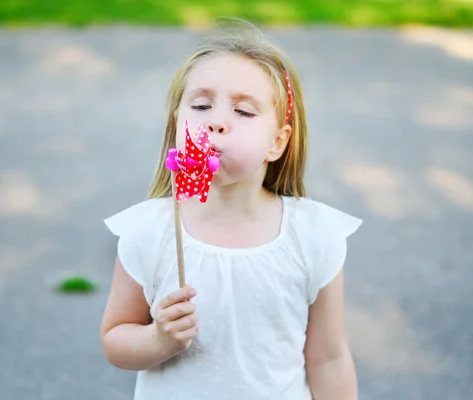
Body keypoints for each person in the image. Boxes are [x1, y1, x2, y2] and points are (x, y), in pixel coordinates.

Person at [100, 19, 362, 400]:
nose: (216, 122)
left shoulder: (313, 236)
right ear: (177, 124)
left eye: (243, 111)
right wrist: (159, 339)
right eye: (202, 105)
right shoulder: (150, 232)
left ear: (277, 142)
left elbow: (329, 358)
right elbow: (115, 340)